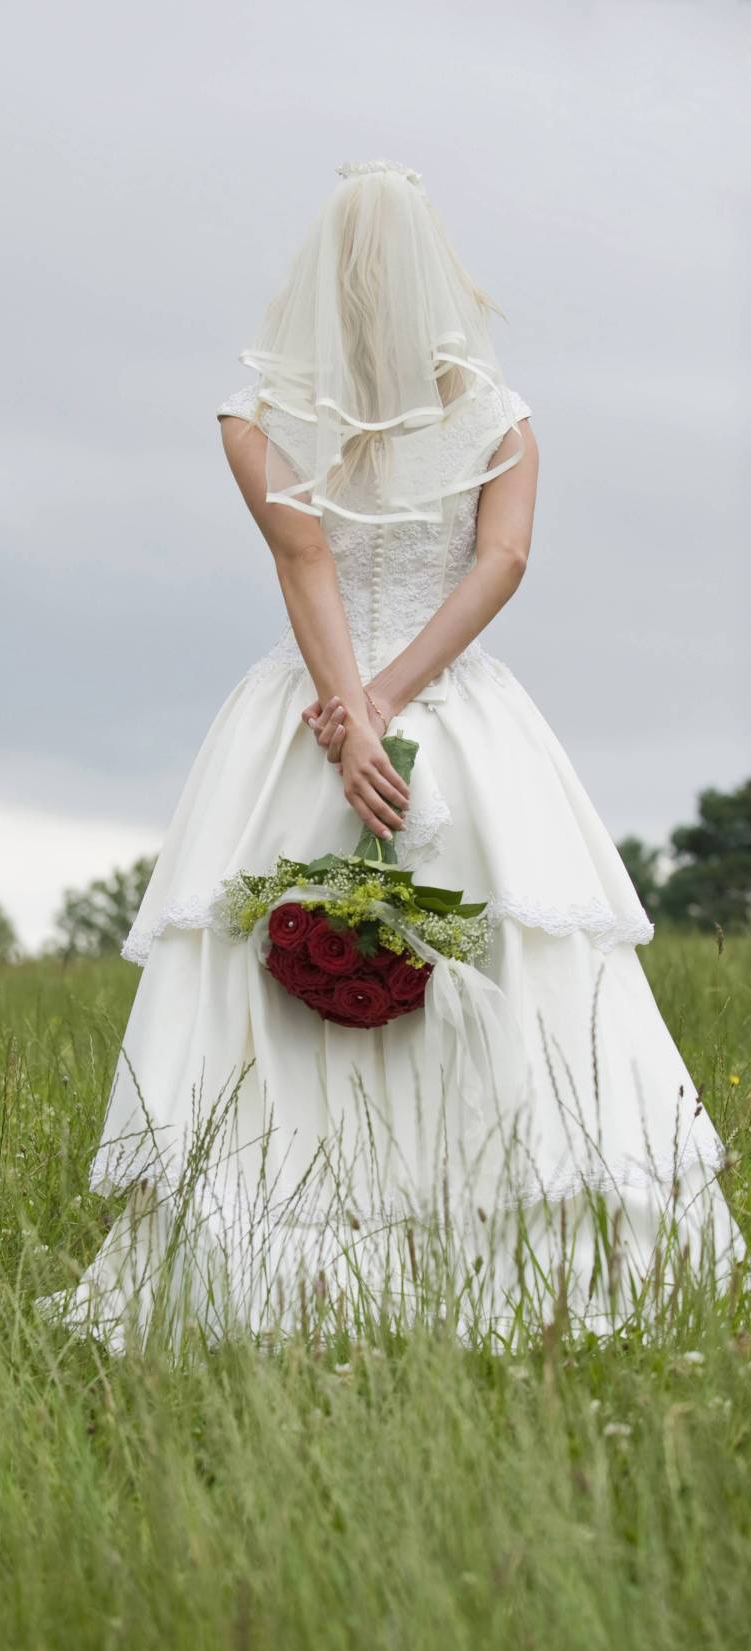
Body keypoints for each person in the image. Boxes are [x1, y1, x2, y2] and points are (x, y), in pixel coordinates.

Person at [37, 160, 745, 1353]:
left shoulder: (253, 419)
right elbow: (502, 564)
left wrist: (346, 714)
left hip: (302, 718)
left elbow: (306, 564)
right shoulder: (502, 419)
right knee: (509, 970)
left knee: (272, 988)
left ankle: (285, 1279)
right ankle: (528, 1264)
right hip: (459, 715)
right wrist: (390, 701)